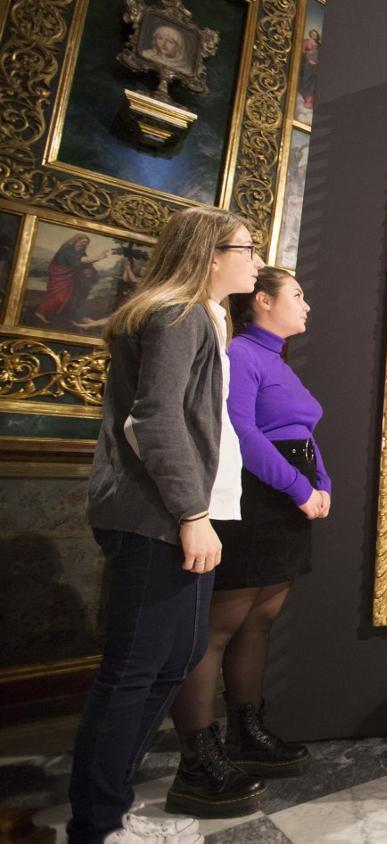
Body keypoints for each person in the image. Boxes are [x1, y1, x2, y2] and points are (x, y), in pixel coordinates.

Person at [69, 206, 262, 844]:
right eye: (247, 248)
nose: (257, 262)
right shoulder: (177, 314)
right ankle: (94, 824)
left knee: (175, 655)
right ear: (210, 256)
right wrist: (192, 514)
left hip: (173, 514)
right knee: (133, 669)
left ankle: (108, 805)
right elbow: (155, 421)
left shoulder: (200, 315)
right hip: (157, 515)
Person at [163, 267, 329, 817]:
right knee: (218, 626)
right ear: (263, 300)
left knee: (261, 618)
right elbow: (240, 433)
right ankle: (197, 757)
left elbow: (301, 431)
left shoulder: (275, 358)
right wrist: (299, 488)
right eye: (298, 296)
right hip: (255, 500)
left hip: (287, 502)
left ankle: (246, 735)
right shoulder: (239, 354)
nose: (307, 305)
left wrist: (319, 484)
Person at [34, 235, 109, 327]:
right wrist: (99, 257)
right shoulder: (67, 248)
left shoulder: (80, 251)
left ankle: (60, 315)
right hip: (59, 275)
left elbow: (86, 262)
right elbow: (81, 261)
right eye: (82, 242)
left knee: (69, 297)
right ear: (75, 240)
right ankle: (40, 312)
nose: (84, 244)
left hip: (70, 277)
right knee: (58, 297)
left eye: (86, 243)